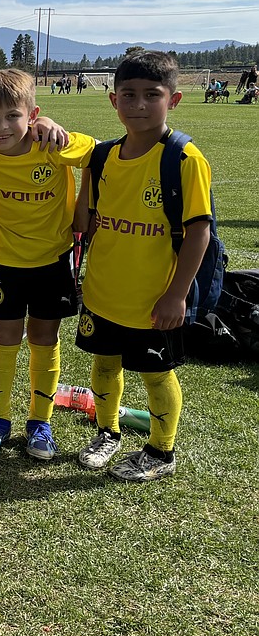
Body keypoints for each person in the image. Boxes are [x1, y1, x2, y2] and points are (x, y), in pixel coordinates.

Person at [0, 69, 94, 461]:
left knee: (44, 339)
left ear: (33, 114)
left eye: (14, 116)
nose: (2, 126)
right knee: (4, 338)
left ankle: (40, 423)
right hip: (5, 265)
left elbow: (98, 152)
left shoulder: (53, 144)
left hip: (54, 261)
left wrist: (85, 208)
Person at [73, 51, 211, 481]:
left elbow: (198, 232)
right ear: (113, 101)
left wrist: (176, 294)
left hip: (154, 300)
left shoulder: (184, 159)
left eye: (152, 95)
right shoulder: (101, 157)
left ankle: (160, 451)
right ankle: (107, 431)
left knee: (156, 374)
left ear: (175, 99)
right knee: (103, 364)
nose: (138, 104)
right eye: (129, 95)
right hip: (102, 291)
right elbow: (84, 222)